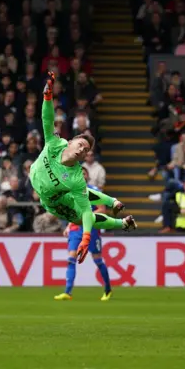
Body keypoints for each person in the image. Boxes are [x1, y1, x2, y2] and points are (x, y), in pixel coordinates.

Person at [29, 72, 137, 264]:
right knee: (85, 197)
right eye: (80, 144)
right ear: (70, 141)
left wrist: (86, 238)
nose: (82, 150)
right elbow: (47, 118)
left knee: (84, 215)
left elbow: (88, 212)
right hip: (36, 180)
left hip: (54, 202)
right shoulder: (55, 143)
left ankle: (122, 223)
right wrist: (47, 96)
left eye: (86, 150)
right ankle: (114, 203)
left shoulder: (76, 177)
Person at [55, 167, 112, 301]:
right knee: (71, 259)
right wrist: (69, 225)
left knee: (97, 260)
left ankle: (108, 289)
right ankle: (67, 292)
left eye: (84, 173)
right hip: (75, 229)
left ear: (87, 176)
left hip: (91, 229)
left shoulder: (94, 191)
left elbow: (102, 210)